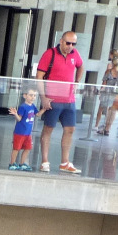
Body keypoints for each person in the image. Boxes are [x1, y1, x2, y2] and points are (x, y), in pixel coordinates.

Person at [34, 30, 84, 174]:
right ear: (61, 41)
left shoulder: (75, 54)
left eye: (73, 44)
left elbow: (81, 66)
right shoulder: (50, 54)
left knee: (70, 129)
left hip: (69, 99)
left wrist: (77, 82)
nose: (70, 46)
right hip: (53, 98)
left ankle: (65, 162)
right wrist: (43, 97)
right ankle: (44, 161)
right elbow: (39, 76)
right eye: (68, 43)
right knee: (48, 129)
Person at [7, 88, 39, 170]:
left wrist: (45, 108)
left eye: (34, 95)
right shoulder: (23, 107)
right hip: (20, 132)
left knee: (28, 148)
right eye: (31, 95)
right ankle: (12, 163)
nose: (33, 97)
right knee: (16, 148)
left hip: (27, 133)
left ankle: (22, 163)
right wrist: (15, 114)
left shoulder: (33, 106)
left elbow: (38, 114)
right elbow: (19, 119)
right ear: (25, 96)